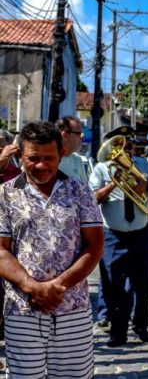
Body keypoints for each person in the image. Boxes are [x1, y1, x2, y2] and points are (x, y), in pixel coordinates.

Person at [0, 121, 103, 377]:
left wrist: (59, 287)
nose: (42, 165)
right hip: (22, 309)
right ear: (20, 155)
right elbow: (1, 251)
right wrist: (33, 287)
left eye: (49, 158)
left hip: (73, 308)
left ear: (61, 155)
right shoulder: (4, 195)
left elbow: (94, 244)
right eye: (34, 158)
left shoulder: (80, 191)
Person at [89, 127, 148, 347]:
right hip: (113, 234)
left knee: (143, 283)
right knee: (114, 284)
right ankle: (118, 332)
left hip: (141, 233)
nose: (126, 151)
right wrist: (114, 182)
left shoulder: (144, 166)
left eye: (129, 147)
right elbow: (93, 198)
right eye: (121, 147)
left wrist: (147, 185)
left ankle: (141, 326)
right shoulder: (101, 169)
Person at [55, 115, 89, 182]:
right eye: (79, 133)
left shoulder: (77, 160)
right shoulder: (49, 159)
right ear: (65, 135)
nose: (82, 138)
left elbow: (85, 190)